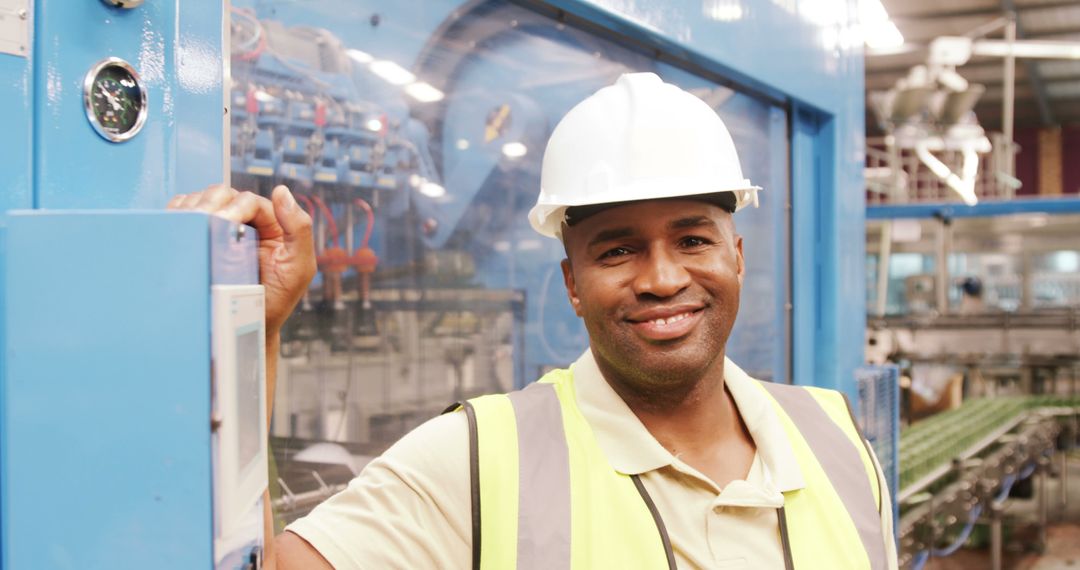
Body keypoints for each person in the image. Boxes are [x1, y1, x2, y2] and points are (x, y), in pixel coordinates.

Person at [177, 73, 897, 569]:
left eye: (692, 239)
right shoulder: (477, 459)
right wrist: (255, 334)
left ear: (736, 256)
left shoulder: (834, 439)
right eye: (618, 250)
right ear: (573, 284)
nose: (663, 277)